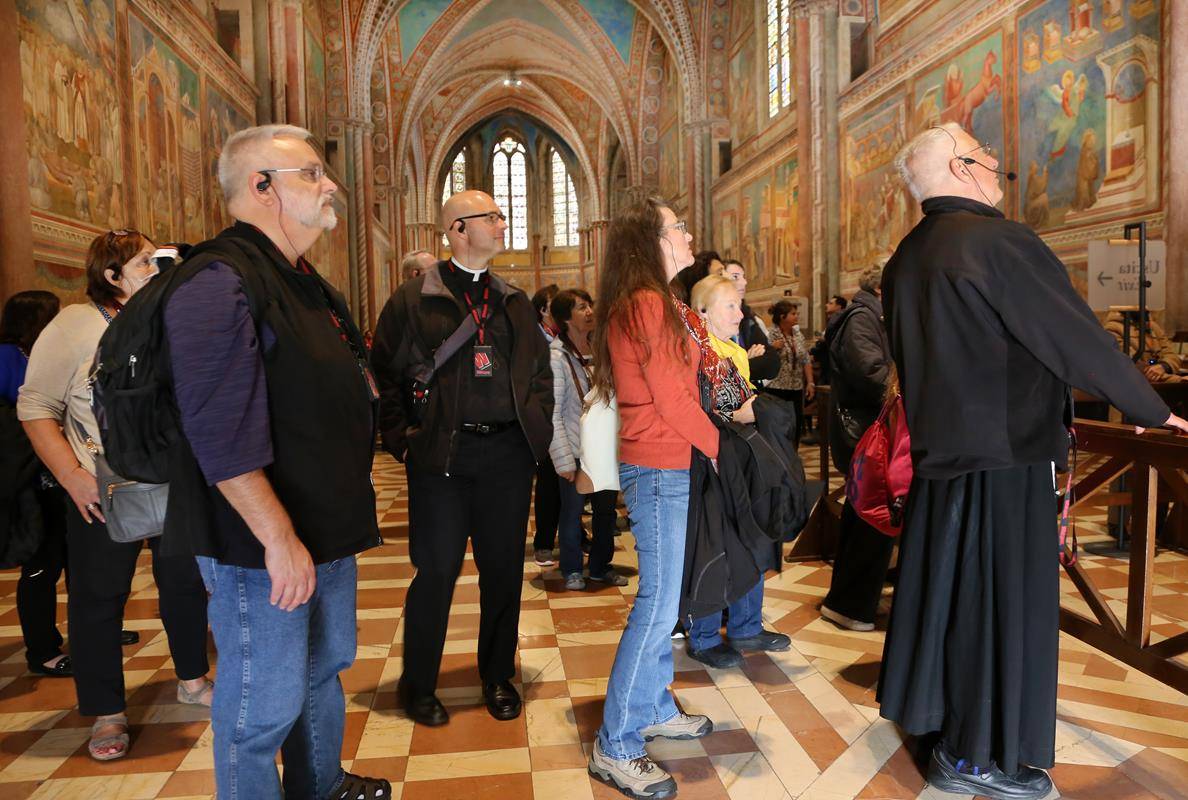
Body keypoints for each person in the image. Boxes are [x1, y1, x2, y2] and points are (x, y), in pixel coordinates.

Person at [879, 122, 1188, 800]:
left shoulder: (905, 258)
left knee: (953, 603)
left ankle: (947, 736)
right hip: (1004, 460)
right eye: (988, 157)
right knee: (1001, 612)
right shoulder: (998, 242)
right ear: (961, 168)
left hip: (941, 461)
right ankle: (980, 758)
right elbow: (1072, 335)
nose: (998, 167)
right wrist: (1153, 408)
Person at [163, 125, 388, 799]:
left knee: (322, 669)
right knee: (261, 706)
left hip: (321, 527)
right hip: (257, 543)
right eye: (312, 174)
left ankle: (320, 785)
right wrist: (278, 537)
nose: (330, 186)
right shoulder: (217, 280)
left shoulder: (300, 280)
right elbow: (217, 432)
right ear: (261, 187)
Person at [19, 230, 212, 762]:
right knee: (98, 599)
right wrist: (71, 476)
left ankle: (193, 679)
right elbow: (35, 407)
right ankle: (107, 711)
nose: (156, 267)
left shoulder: (171, 314)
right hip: (100, 484)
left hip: (173, 479)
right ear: (111, 276)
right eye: (145, 261)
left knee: (185, 585)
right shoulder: (75, 326)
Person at [372, 189, 553, 729]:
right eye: (491, 217)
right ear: (456, 231)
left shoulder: (513, 301)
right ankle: (418, 684)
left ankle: (498, 675)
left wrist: (535, 432)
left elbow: (539, 375)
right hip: (442, 461)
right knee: (437, 573)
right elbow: (384, 375)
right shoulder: (413, 299)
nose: (502, 223)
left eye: (501, 215)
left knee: (503, 572)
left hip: (506, 457)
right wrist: (404, 439)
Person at [587, 198, 716, 799]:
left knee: (665, 599)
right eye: (679, 228)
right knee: (658, 605)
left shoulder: (651, 302)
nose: (689, 235)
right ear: (651, 241)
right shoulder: (647, 304)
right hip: (662, 464)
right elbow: (672, 401)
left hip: (663, 462)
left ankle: (652, 706)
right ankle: (616, 744)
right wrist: (726, 449)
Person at [683, 274, 792, 668]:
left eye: (738, 304)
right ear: (703, 312)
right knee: (715, 547)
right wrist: (739, 411)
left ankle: (746, 625)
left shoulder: (735, 351)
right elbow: (700, 405)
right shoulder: (694, 350)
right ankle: (705, 634)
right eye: (729, 305)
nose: (739, 312)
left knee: (753, 537)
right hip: (710, 462)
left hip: (740, 459)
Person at [1, 290, 73, 678]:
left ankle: (89, 630)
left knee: (77, 558)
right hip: (31, 480)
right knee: (41, 566)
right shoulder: (7, 357)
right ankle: (42, 649)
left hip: (58, 473)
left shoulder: (35, 354)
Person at [819, 267, 895, 631]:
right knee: (872, 515)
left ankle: (852, 599)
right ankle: (850, 605)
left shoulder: (874, 316)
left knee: (865, 514)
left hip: (872, 431)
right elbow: (871, 373)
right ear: (881, 288)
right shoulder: (862, 319)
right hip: (863, 432)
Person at [547, 289, 624, 590]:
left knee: (605, 512)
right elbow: (552, 413)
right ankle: (571, 568)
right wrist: (564, 459)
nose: (590, 311)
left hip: (603, 446)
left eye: (590, 305)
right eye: (581, 307)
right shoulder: (556, 358)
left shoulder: (602, 350)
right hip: (575, 449)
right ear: (566, 318)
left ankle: (600, 566)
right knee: (572, 512)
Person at [531, 283, 563, 566]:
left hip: (568, 419)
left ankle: (573, 535)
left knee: (571, 485)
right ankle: (543, 541)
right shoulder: (535, 340)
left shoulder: (565, 338)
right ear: (543, 310)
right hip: (545, 421)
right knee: (548, 484)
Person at [721, 259, 780, 382]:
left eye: (744, 277)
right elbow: (721, 374)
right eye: (736, 277)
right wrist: (746, 362)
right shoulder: (710, 324)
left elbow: (772, 363)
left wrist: (743, 365)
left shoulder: (748, 319)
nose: (744, 282)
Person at [766, 300, 814, 447]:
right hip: (776, 387)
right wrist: (771, 348)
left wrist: (810, 382)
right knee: (778, 425)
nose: (796, 316)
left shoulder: (797, 334)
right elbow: (762, 359)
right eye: (793, 314)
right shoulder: (771, 334)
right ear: (782, 316)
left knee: (796, 425)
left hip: (795, 387)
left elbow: (805, 359)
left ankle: (793, 454)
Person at [1103, 309, 1183, 383]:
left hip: (1160, 383)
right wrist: (1178, 380)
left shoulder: (1153, 326)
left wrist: (1164, 366)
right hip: (1135, 387)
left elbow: (1172, 354)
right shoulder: (1112, 329)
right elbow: (1134, 368)